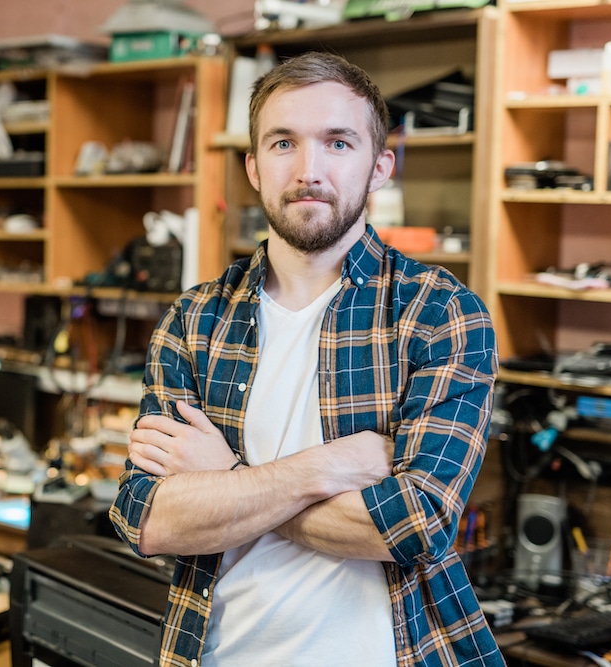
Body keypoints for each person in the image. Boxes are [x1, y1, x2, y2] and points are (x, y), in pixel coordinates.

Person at [109, 51, 503, 667]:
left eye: (338, 143)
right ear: (254, 168)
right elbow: (148, 520)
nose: (308, 169)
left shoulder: (439, 314)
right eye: (283, 142)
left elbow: (415, 526)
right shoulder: (195, 321)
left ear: (380, 168)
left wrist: (227, 482)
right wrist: (323, 470)